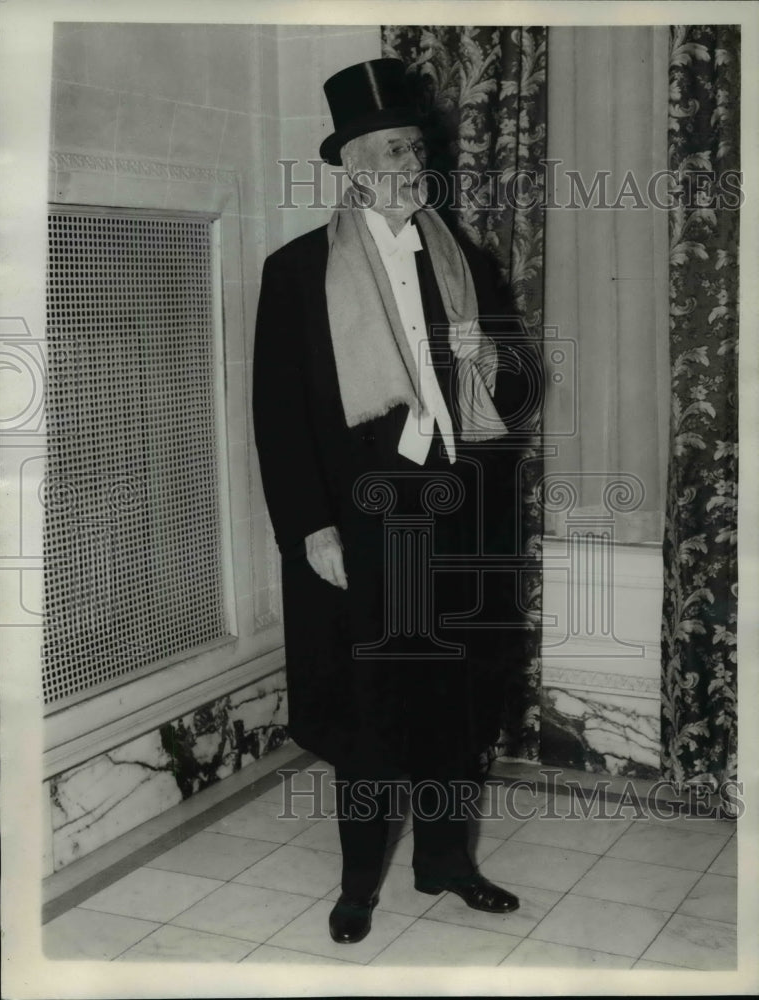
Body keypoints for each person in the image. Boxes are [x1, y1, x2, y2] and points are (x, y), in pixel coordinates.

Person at [253, 58, 542, 944]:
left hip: (460, 515)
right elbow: (277, 416)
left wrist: (495, 361)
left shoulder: (465, 262)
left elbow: (518, 392)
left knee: (457, 699)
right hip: (368, 522)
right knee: (373, 706)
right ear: (353, 165)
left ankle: (447, 862)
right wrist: (310, 526)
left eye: (416, 147)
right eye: (391, 150)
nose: (411, 163)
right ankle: (357, 886)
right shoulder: (297, 272)